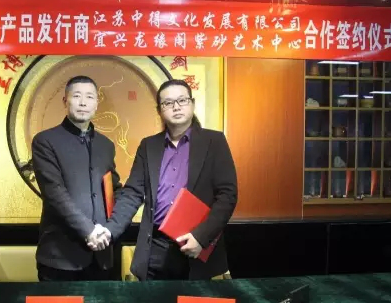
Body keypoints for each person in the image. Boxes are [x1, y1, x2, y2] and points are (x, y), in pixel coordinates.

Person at [96, 79, 238, 281]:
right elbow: (132, 193)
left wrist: (201, 237)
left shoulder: (214, 141)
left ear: (192, 104)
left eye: (182, 100)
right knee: (153, 301)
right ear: (159, 110)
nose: (176, 107)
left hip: (195, 245)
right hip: (155, 246)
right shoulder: (149, 146)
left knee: (192, 302)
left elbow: (227, 195)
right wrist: (111, 229)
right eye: (168, 103)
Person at [31, 75, 122, 282]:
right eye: (77, 96)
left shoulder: (106, 145)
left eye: (89, 97)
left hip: (102, 256)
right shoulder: (45, 141)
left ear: (96, 103)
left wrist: (114, 224)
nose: (83, 102)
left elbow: (112, 188)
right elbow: (54, 193)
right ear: (65, 101)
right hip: (60, 257)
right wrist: (89, 231)